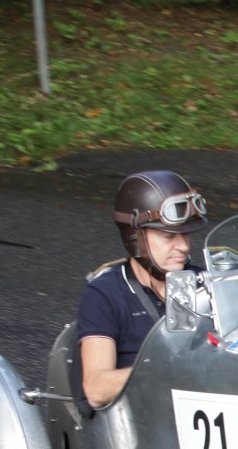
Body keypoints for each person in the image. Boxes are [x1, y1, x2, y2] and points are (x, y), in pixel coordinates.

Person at [77, 170, 208, 408]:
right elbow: (96, 388)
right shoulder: (105, 294)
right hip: (141, 417)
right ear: (135, 238)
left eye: (186, 235)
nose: (183, 246)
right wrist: (170, 370)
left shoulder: (205, 282)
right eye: (168, 236)